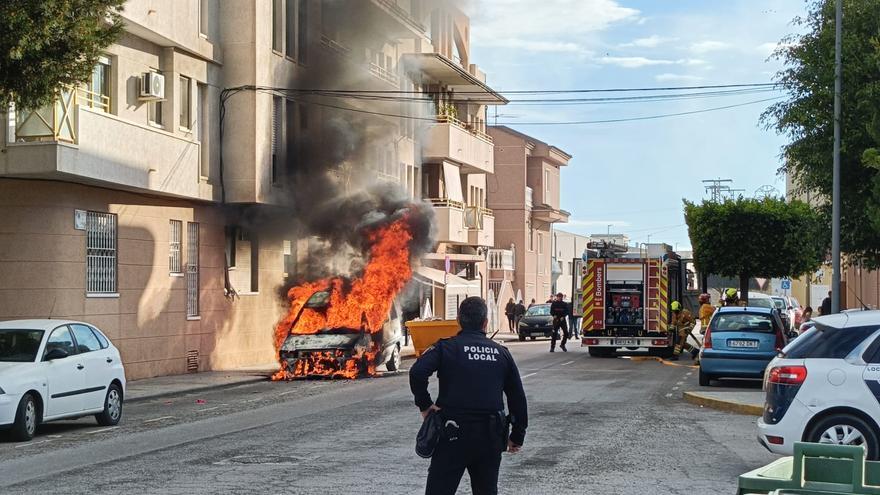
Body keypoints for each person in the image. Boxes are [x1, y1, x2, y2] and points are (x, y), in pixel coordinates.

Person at [409, 297, 529, 495]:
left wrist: (425, 406)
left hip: (452, 433)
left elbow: (417, 372)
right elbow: (517, 396)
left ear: (458, 320)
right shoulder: (501, 353)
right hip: (490, 437)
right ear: (485, 323)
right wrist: (517, 435)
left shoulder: (446, 347)